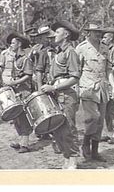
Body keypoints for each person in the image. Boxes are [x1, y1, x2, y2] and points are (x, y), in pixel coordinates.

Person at [41, 20, 81, 169]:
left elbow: (75, 77)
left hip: (66, 95)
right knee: (57, 129)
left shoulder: (70, 52)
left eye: (57, 32)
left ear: (66, 35)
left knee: (68, 128)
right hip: (56, 95)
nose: (54, 35)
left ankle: (73, 159)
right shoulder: (58, 52)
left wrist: (54, 87)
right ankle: (66, 157)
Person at [75, 23, 114, 161]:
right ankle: (85, 143)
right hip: (87, 87)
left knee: (100, 120)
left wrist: (113, 86)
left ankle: (95, 151)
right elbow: (76, 70)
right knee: (93, 117)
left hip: (102, 87)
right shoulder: (81, 48)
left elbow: (108, 69)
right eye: (95, 32)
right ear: (89, 33)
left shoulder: (105, 48)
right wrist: (76, 88)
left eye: (100, 32)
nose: (98, 34)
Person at [4, 32, 34, 153]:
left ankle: (25, 144)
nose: (11, 45)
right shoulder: (13, 59)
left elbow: (28, 75)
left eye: (13, 43)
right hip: (15, 90)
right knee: (15, 116)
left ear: (19, 44)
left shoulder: (25, 59)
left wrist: (16, 82)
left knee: (23, 117)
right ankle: (21, 140)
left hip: (24, 91)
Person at [100, 27, 114, 144]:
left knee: (113, 107)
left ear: (111, 38)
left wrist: (107, 72)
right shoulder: (101, 49)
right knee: (104, 108)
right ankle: (108, 133)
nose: (103, 39)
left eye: (105, 37)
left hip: (112, 80)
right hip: (103, 81)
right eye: (102, 37)